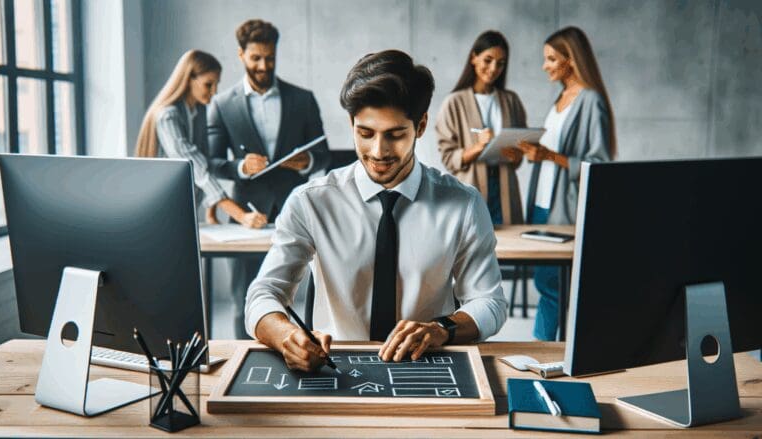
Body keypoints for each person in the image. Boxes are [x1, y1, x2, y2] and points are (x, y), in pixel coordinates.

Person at [245, 50, 508, 372]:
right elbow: (263, 293)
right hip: (334, 368)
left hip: (426, 366)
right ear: (351, 124)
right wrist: (286, 336)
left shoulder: (464, 205)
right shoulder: (310, 201)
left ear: (421, 125)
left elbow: (490, 302)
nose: (378, 151)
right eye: (365, 133)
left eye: (395, 135)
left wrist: (441, 329)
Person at [207, 19, 330, 338]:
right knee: (243, 300)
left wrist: (308, 162)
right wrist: (240, 168)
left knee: (295, 298)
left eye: (270, 57)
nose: (264, 65)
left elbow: (324, 153)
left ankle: (299, 357)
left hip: (294, 209)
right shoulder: (222, 104)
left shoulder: (302, 99)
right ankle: (240, 370)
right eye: (256, 58)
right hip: (247, 213)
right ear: (241, 55)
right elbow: (212, 163)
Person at [518, 26, 616, 341]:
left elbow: (599, 166)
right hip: (543, 205)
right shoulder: (560, 98)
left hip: (567, 210)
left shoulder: (590, 101)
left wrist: (550, 156)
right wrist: (535, 154)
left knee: (551, 285)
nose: (545, 65)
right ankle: (551, 352)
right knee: (548, 284)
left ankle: (544, 351)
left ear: (570, 60)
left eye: (550, 58)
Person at [135, 50, 267, 229]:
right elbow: (196, 170)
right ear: (189, 79)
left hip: (183, 213)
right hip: (160, 215)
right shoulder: (168, 117)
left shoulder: (199, 112)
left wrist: (211, 213)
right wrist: (242, 216)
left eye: (216, 85)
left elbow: (204, 161)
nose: (214, 92)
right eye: (208, 84)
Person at [436, 30, 527, 225]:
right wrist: (478, 147)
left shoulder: (511, 101)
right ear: (474, 58)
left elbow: (519, 154)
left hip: (505, 191)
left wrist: (517, 155)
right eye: (488, 60)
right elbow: (448, 158)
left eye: (501, 63)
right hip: (471, 189)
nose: (494, 68)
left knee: (511, 248)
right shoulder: (454, 103)